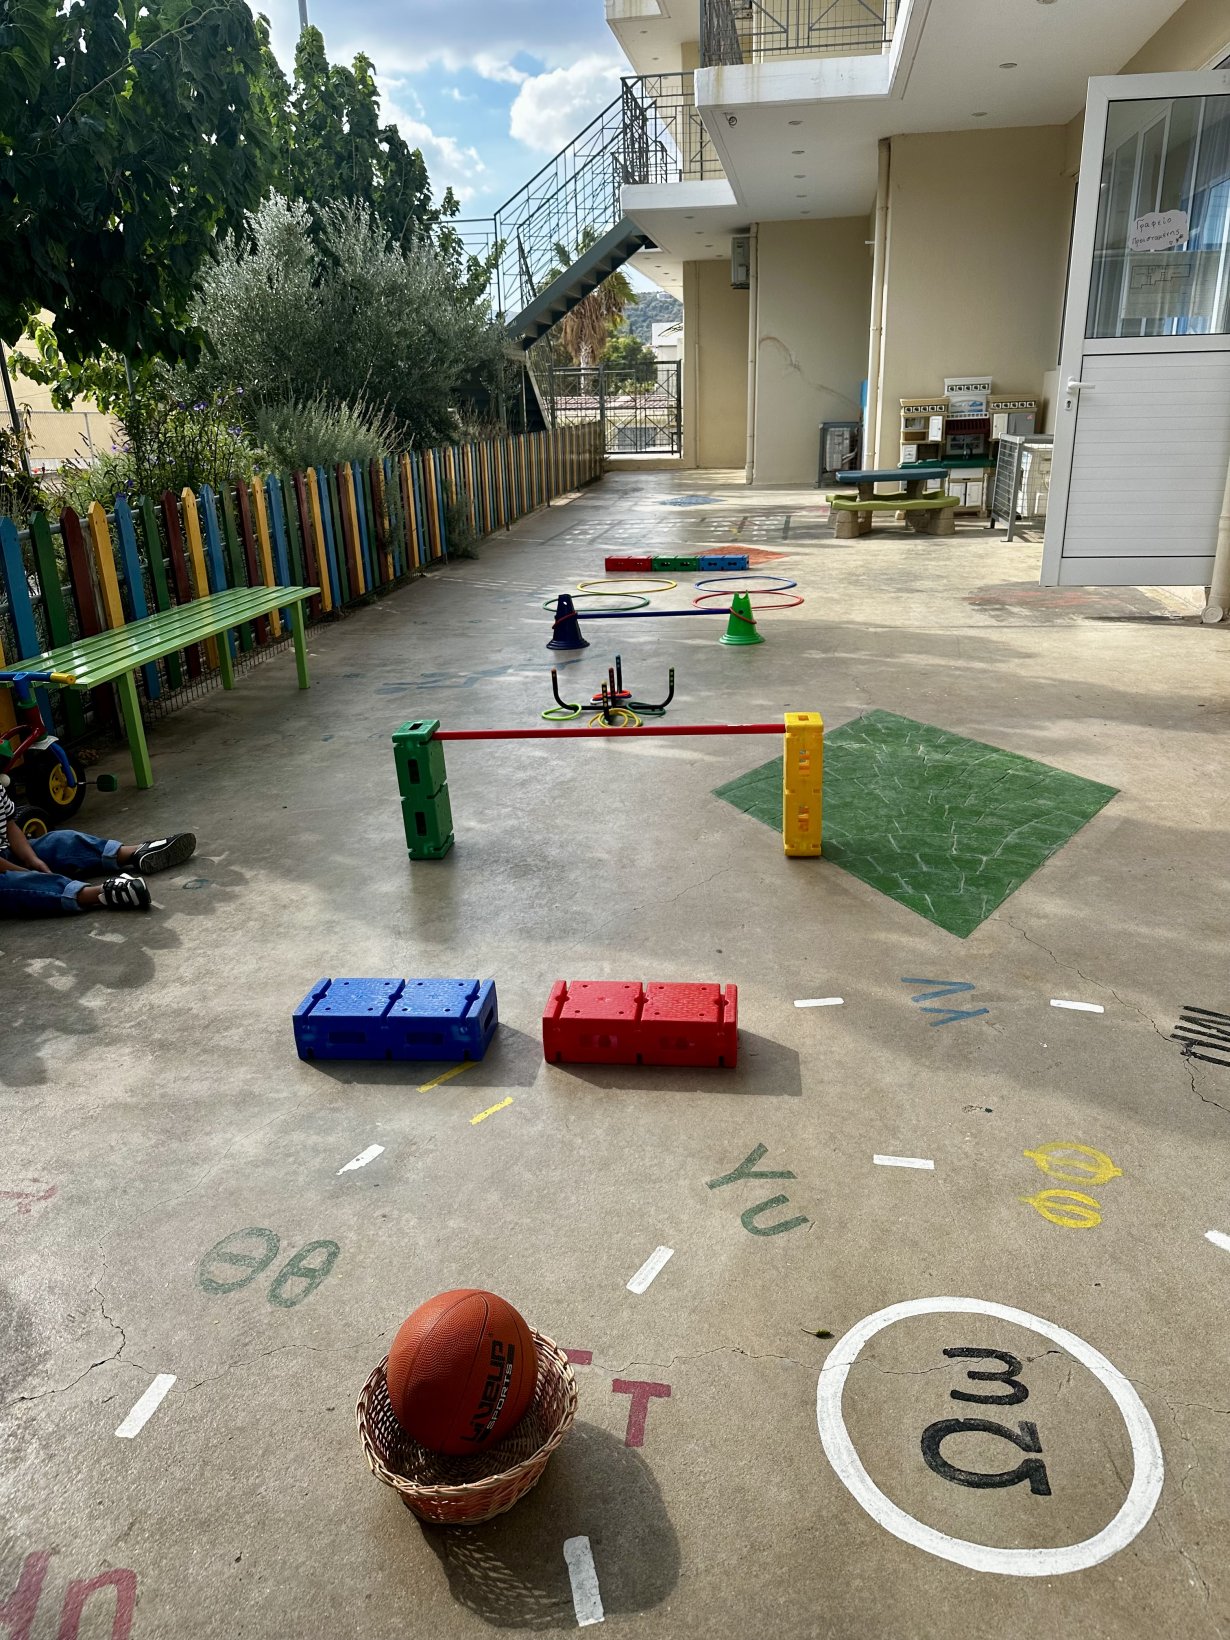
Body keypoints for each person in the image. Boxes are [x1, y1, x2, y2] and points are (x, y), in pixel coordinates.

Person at [0, 780, 195, 916]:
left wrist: (31, 859)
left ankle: (132, 853)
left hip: (7, 852)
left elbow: (10, 825)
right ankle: (97, 894)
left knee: (61, 840)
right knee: (19, 883)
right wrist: (26, 872)